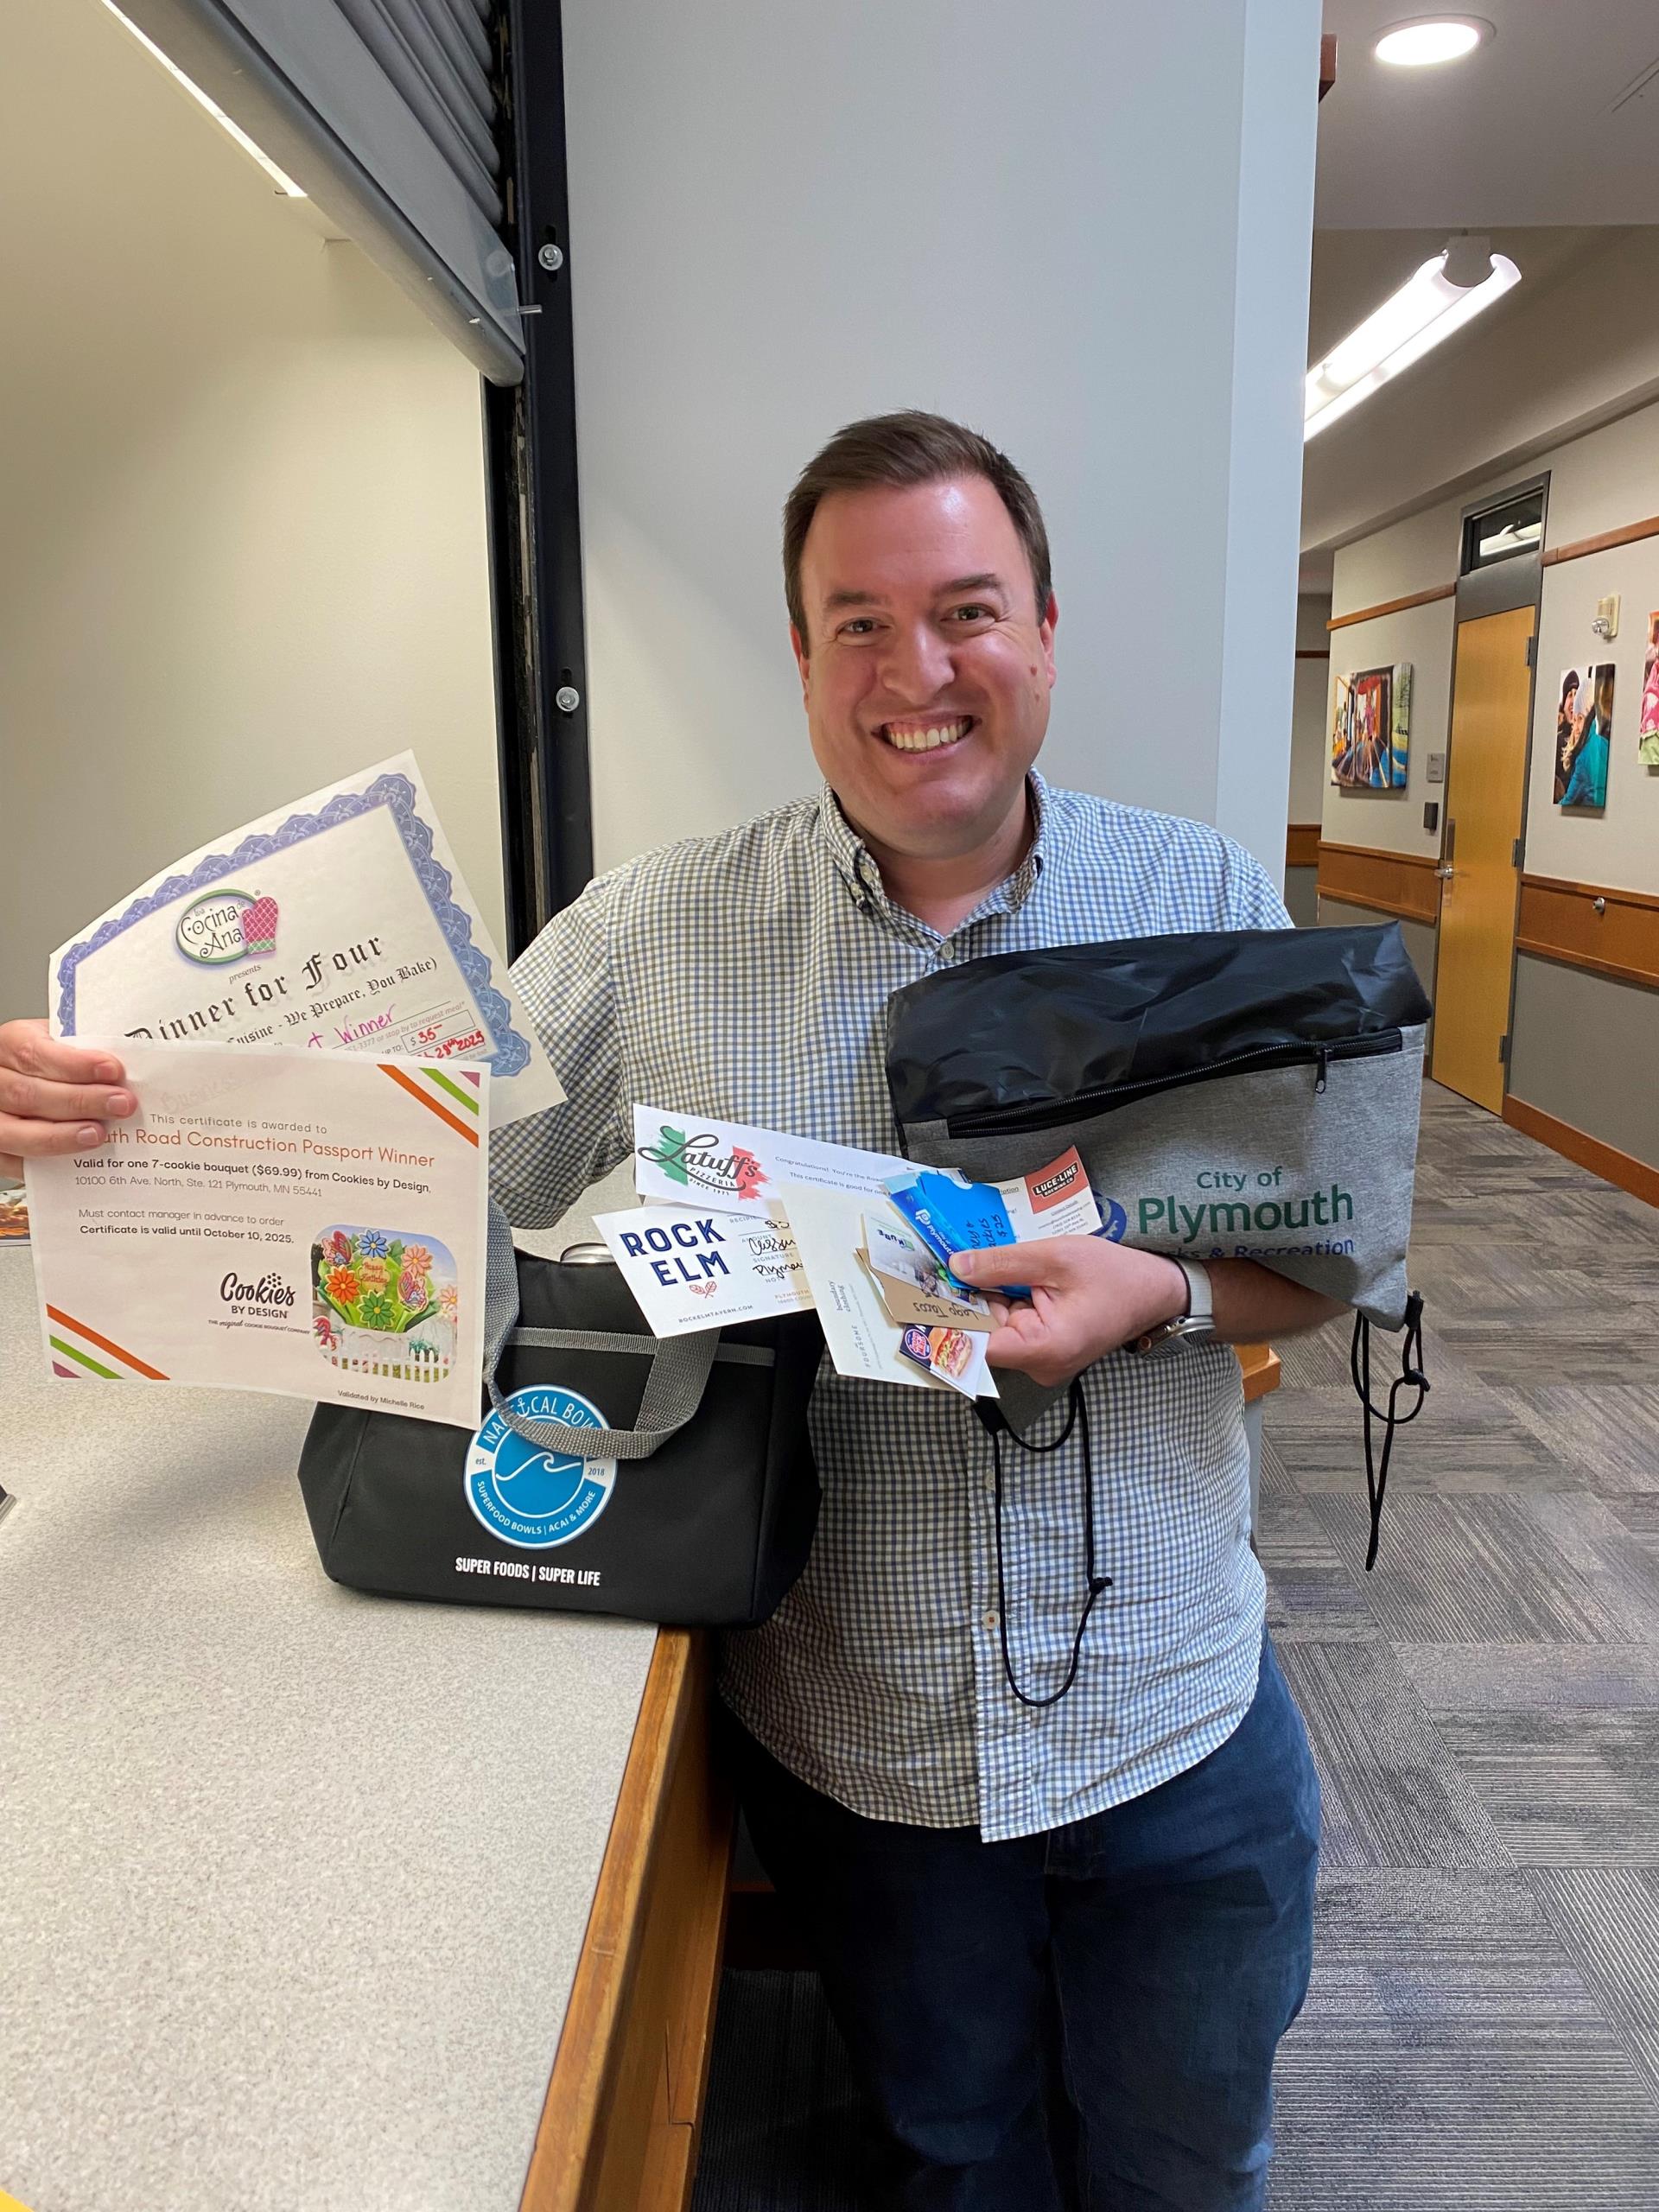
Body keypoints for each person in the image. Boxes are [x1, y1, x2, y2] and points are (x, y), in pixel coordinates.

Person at [0, 412, 1340, 2211]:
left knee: (1197, 2167)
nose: (915, 669)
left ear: (1044, 625)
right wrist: (101, 1134)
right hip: (869, 1742)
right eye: (856, 621)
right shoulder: (656, 927)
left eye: (966, 609)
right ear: (797, 656)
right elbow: (409, 1169)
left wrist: (1158, 1286)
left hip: (1174, 1718)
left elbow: (1313, 1256)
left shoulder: (1198, 898)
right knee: (959, 2159)